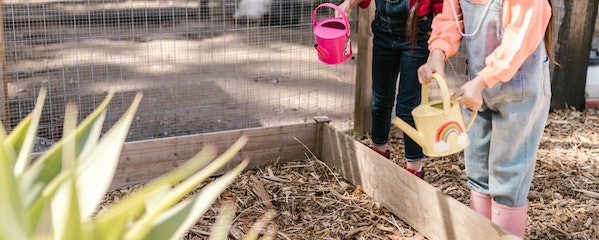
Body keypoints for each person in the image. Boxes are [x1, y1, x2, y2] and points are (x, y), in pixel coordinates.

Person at [417, 0, 556, 238]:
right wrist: (436, 54)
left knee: (508, 176)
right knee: (478, 171)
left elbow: (519, 41)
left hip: (519, 90)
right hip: (477, 89)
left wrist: (481, 82)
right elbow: (450, 19)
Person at [336, 0, 443, 180]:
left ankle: (414, 168)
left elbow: (442, 11)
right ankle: (378, 151)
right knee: (380, 99)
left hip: (416, 34)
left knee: (408, 107)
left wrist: (437, 49)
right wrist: (348, 3)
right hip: (383, 31)